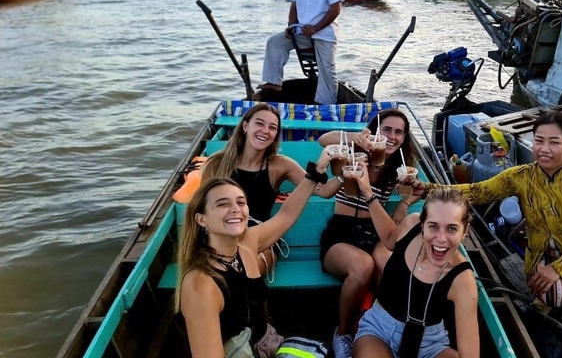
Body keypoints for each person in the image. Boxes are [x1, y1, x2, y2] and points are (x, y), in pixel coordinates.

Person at [417, 111, 562, 357]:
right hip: (542, 258)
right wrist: (426, 189)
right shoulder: (523, 177)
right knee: (552, 293)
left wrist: (559, 269)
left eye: (554, 142)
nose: (544, 149)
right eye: (539, 140)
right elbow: (478, 191)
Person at [176, 147, 333, 358]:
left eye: (241, 202)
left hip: (263, 343)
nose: (235, 209)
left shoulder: (246, 243)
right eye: (223, 204)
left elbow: (286, 215)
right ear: (201, 219)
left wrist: (316, 171)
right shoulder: (201, 284)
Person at [316, 108, 420, 358]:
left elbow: (420, 189)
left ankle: (386, 328)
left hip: (374, 233)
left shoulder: (398, 166)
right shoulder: (354, 154)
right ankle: (343, 334)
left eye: (399, 132)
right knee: (363, 266)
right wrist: (355, 138)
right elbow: (324, 140)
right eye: (387, 130)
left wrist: (404, 205)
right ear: (375, 131)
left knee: (390, 265)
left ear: (404, 138)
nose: (392, 137)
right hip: (340, 233)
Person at [201, 103, 338, 275]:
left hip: (263, 241)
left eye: (272, 127)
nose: (265, 131)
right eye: (259, 123)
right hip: (222, 236)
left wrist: (343, 174)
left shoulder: (280, 165)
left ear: (275, 135)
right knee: (216, 269)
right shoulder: (216, 164)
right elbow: (202, 209)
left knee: (241, 269)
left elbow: (322, 191)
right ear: (245, 126)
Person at [353, 187, 479, 358]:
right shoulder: (410, 225)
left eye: (451, 229)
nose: (441, 238)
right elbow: (390, 239)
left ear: (465, 231)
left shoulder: (463, 280)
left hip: (430, 345)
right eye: (433, 226)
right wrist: (368, 192)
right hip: (379, 329)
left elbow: (470, 355)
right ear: (422, 224)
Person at [258, 0, 344, 105]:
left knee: (327, 71)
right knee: (275, 42)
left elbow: (335, 10)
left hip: (324, 33)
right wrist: (290, 27)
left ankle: (326, 105)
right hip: (301, 31)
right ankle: (274, 82)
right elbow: (294, 8)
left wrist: (316, 28)